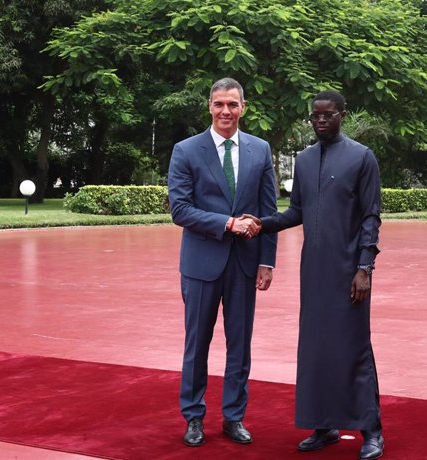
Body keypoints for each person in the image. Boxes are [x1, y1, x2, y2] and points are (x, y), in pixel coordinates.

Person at [248, 90, 384, 459]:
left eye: (328, 114)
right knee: (316, 349)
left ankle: (371, 430)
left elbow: (371, 216)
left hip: (350, 271)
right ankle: (324, 426)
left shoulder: (362, 157)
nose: (321, 120)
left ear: (343, 114)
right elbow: (296, 213)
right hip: (314, 272)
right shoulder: (304, 160)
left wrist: (364, 268)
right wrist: (262, 225)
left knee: (355, 348)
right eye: (315, 115)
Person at [167, 77, 277, 447]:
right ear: (209, 107)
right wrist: (228, 223)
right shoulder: (186, 150)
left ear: (243, 107)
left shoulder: (260, 150)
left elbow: (267, 211)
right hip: (201, 263)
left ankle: (234, 416)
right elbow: (180, 210)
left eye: (233, 104)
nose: (226, 111)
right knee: (196, 344)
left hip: (245, 265)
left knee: (239, 345)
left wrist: (267, 262)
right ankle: (194, 416)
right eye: (219, 104)